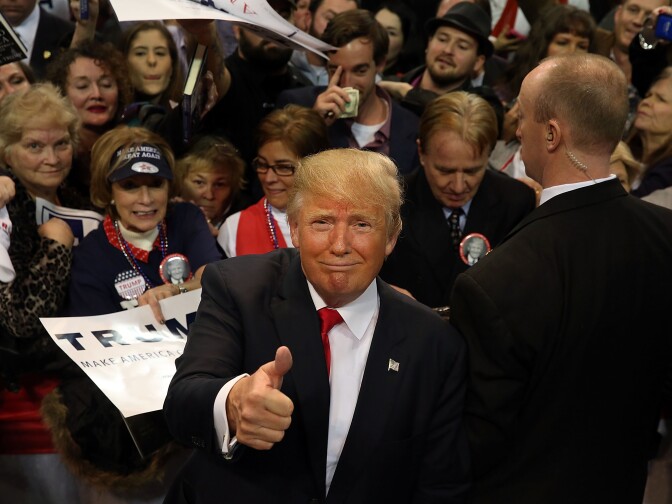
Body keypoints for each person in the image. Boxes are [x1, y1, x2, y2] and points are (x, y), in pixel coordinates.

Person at [163, 148, 470, 503]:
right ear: (294, 228)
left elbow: (442, 486)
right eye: (322, 222)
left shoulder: (433, 344)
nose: (340, 245)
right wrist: (232, 404)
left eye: (361, 224)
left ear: (390, 236)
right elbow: (183, 402)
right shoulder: (238, 288)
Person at [450, 53, 672, 503]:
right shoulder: (665, 236)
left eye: (524, 117)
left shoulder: (498, 280)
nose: (516, 129)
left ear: (552, 134)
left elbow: (477, 441)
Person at [0, 84, 88, 503]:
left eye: (61, 144)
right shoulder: (5, 213)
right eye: (34, 145)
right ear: (6, 151)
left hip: (80, 404)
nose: (51, 158)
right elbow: (18, 321)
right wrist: (56, 244)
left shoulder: (84, 200)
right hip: (22, 409)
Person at [379, 91, 535, 308]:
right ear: (421, 153)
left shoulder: (517, 202)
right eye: (445, 170)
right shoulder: (391, 203)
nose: (459, 186)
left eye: (472, 171)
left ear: (488, 155)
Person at [65, 126, 221, 320]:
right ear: (107, 190)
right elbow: (96, 335)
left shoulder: (186, 218)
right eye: (130, 186)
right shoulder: (91, 255)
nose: (146, 199)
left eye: (156, 184)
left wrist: (176, 291)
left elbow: (215, 280)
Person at [278, 9, 421, 174]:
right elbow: (276, 181)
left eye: (359, 70)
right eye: (336, 71)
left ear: (380, 64)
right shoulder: (298, 106)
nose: (347, 83)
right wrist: (314, 128)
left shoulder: (411, 126)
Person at [218, 105, 329, 257]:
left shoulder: (344, 224)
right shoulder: (235, 228)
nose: (268, 178)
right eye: (262, 165)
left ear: (315, 166)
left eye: (283, 167)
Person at [46, 40, 132, 197]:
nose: (97, 94)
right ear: (61, 94)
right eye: (82, 86)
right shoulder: (52, 155)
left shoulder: (133, 147)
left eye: (106, 85)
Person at [495, 4, 596, 103]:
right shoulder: (507, 93)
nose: (572, 52)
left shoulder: (593, 97)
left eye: (582, 46)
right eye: (563, 43)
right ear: (542, 46)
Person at [175, 135, 247, 236]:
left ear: (233, 186)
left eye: (219, 184)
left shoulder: (245, 222)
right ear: (181, 180)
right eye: (199, 182)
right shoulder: (164, 217)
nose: (209, 195)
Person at [288, 0, 359, 86]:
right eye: (330, 18)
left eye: (348, 22)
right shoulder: (285, 62)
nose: (339, 28)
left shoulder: (366, 80)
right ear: (308, 18)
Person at [628, 67, 672, 197]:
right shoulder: (624, 153)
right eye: (648, 95)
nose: (646, 102)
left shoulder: (668, 173)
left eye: (661, 99)